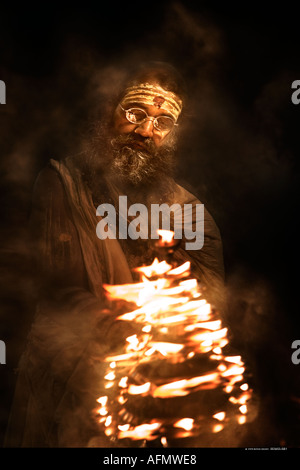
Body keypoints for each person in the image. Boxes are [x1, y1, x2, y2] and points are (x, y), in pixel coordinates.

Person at [4, 62, 225, 447]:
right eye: (135, 114)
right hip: (67, 381)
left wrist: (163, 354)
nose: (145, 131)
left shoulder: (189, 211)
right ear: (110, 112)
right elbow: (63, 286)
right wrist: (130, 339)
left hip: (157, 388)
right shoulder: (62, 183)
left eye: (162, 123)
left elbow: (208, 306)